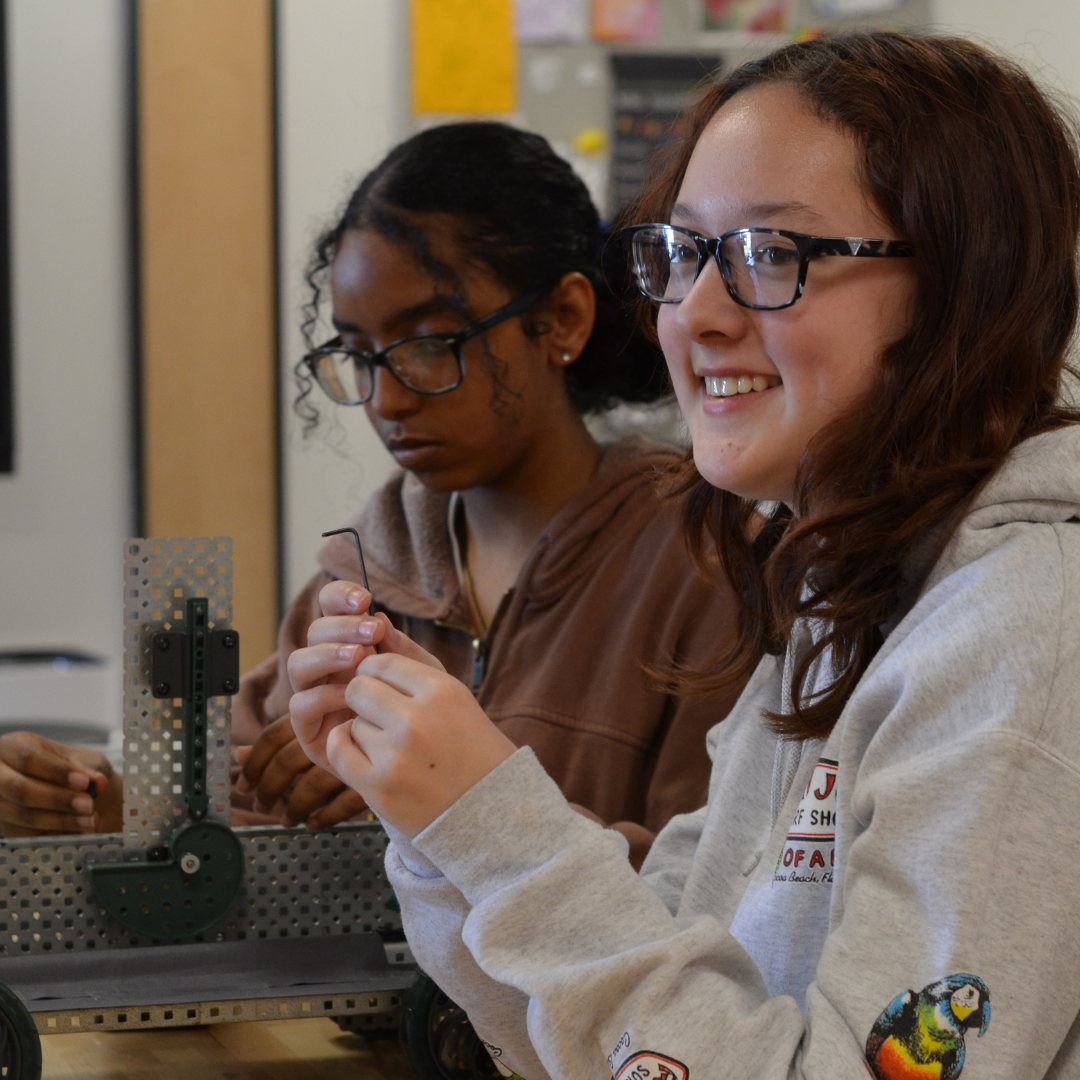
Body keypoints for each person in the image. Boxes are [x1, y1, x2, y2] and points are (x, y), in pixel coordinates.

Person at [287, 32, 1080, 1080]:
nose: (692, 314)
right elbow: (619, 1046)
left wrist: (499, 828)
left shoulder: (1025, 638)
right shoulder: (838, 607)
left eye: (768, 255)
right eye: (683, 254)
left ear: (960, 290)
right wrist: (437, 825)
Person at [0, 123, 744, 871]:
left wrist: (440, 805)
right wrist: (104, 804)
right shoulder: (363, 574)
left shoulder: (706, 567)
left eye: (429, 345)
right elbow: (234, 808)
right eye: (359, 355)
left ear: (562, 320)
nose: (387, 399)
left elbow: (712, 895)